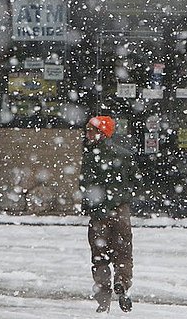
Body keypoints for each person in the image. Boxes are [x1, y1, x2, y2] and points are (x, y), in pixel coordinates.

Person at [79, 115, 136, 313]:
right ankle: (122, 283)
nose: (87, 134)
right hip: (121, 212)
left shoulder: (91, 156)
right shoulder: (124, 155)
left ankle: (103, 299)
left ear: (101, 133)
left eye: (91, 131)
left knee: (100, 257)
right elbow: (135, 182)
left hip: (98, 214)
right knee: (123, 254)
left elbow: (85, 185)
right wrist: (123, 198)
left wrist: (89, 205)